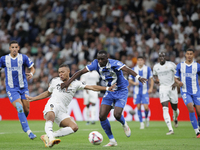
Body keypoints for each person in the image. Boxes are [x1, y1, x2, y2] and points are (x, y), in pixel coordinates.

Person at [60, 50, 147, 147]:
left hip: (121, 91)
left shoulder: (114, 63)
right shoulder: (95, 64)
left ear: (107, 58)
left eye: (102, 59)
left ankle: (124, 123)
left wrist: (139, 77)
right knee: (102, 116)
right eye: (98, 59)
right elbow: (80, 72)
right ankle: (112, 140)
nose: (100, 61)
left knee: (117, 115)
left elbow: (128, 69)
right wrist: (68, 82)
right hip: (110, 91)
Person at [25, 64, 116, 148]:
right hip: (53, 103)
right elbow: (48, 92)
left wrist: (107, 88)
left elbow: (92, 87)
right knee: (50, 116)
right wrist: (33, 98)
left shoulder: (76, 83)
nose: (60, 74)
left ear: (68, 72)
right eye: (59, 72)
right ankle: (51, 138)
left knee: (74, 127)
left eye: (63, 72)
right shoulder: (55, 81)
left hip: (62, 110)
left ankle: (47, 136)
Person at [0, 40, 36, 139]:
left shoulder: (23, 58)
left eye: (16, 47)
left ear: (18, 48)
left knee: (26, 109)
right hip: (11, 88)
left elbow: (32, 68)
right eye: (13, 47)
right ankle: (29, 132)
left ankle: (23, 120)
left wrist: (31, 73)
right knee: (20, 108)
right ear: (9, 48)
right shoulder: (4, 59)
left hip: (23, 87)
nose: (14, 49)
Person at [174, 48, 200, 138]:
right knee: (191, 109)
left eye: (191, 54)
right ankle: (197, 132)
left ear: (193, 55)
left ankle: (199, 127)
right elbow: (175, 78)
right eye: (187, 53)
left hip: (196, 91)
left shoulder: (197, 66)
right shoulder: (180, 66)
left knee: (199, 112)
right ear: (185, 55)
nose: (189, 55)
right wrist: (178, 82)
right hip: (185, 91)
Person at [153, 52, 180, 135]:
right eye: (160, 56)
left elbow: (178, 73)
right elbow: (154, 76)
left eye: (163, 56)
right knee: (165, 108)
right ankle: (170, 129)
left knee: (175, 108)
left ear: (165, 57)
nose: (162, 57)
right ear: (158, 57)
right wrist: (156, 81)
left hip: (172, 88)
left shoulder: (171, 65)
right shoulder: (156, 67)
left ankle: (175, 118)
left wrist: (176, 83)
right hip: (163, 88)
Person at [128, 56, 154, 129]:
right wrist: (134, 83)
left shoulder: (147, 69)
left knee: (146, 108)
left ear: (144, 61)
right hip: (136, 92)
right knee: (138, 107)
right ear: (137, 61)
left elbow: (151, 79)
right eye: (138, 60)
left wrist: (151, 88)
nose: (140, 61)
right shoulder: (133, 69)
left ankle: (146, 119)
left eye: (141, 60)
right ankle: (141, 123)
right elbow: (129, 80)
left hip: (145, 91)